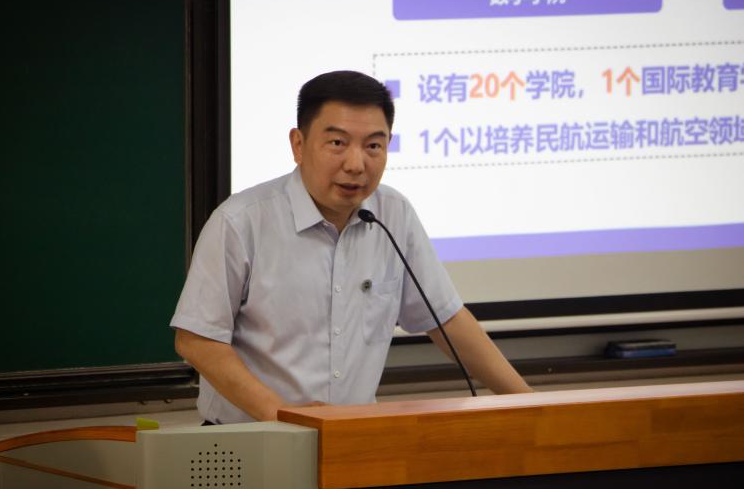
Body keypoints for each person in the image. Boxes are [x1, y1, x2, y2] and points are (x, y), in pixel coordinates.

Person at [171, 70, 531, 424]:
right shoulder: (241, 221)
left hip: (353, 438)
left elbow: (447, 320)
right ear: (298, 145)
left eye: (373, 146)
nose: (356, 165)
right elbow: (196, 340)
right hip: (252, 439)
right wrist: (280, 414)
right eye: (337, 143)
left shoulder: (394, 214)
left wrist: (532, 404)